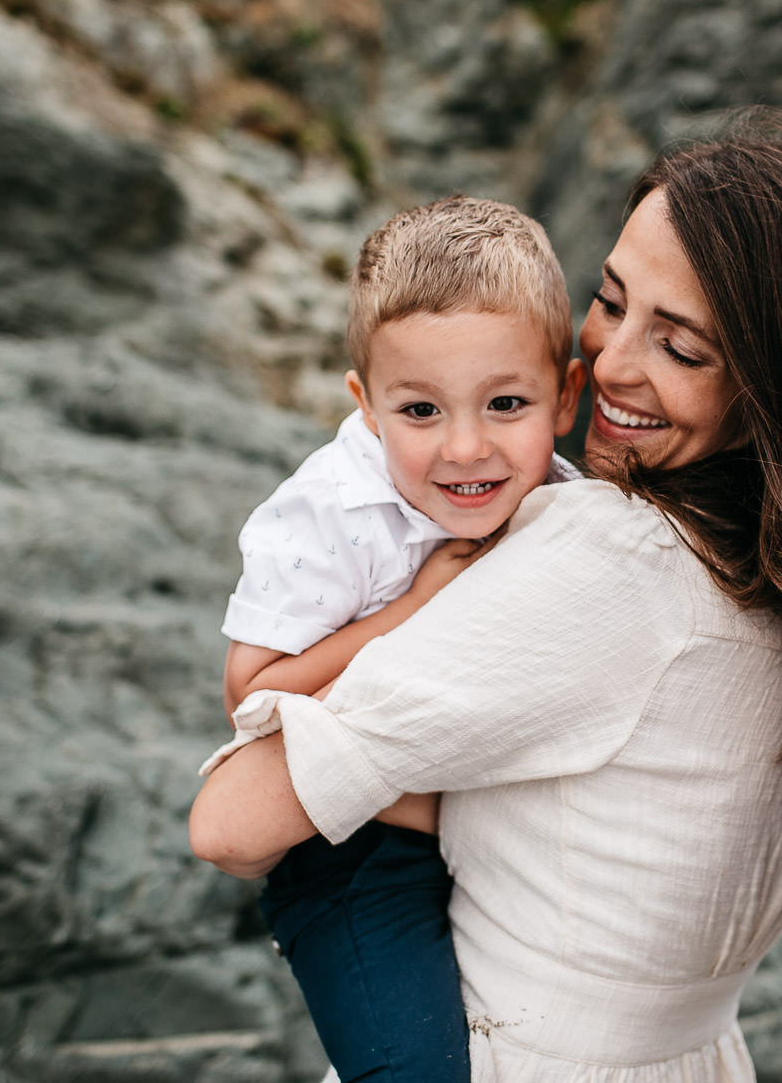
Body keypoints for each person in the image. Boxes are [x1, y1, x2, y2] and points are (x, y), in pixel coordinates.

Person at [192, 113, 782, 1081]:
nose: (611, 365)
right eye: (611, 301)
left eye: (682, 348)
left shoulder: (616, 555)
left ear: (778, 384)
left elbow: (232, 822)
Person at [198, 195, 586, 1082]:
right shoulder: (330, 512)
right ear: (366, 406)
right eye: (420, 411)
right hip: (357, 856)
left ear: (566, 396)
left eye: (506, 403)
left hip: (495, 839)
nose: (466, 448)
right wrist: (413, 606)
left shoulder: (564, 502)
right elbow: (249, 693)